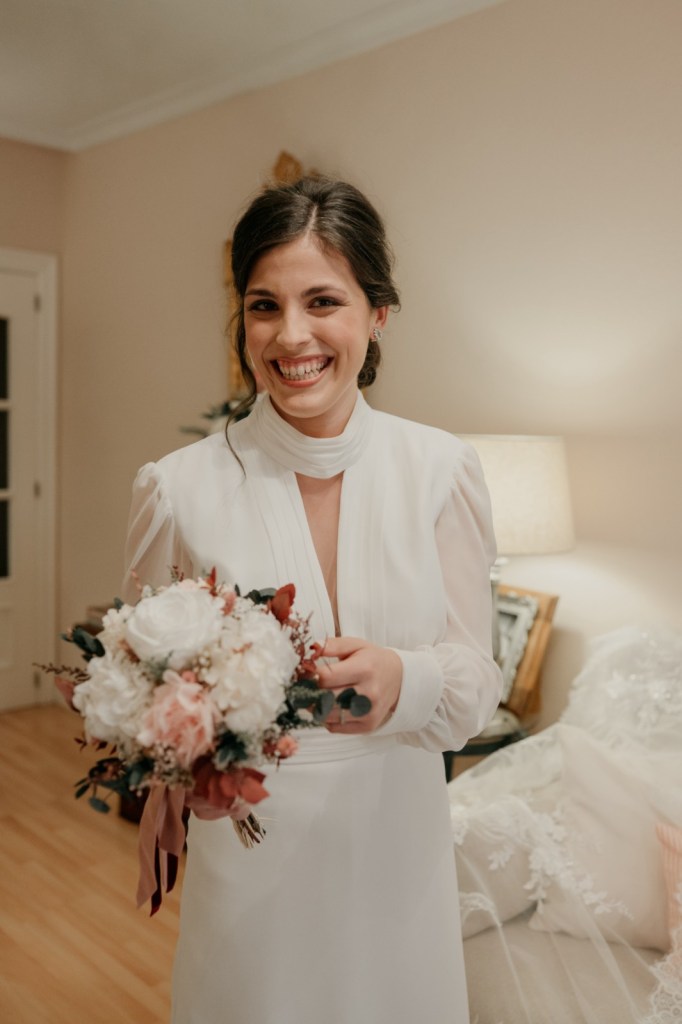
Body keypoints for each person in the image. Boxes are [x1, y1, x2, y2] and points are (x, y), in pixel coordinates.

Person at [123, 176, 503, 1024]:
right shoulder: (176, 489)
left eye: (323, 301)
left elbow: (478, 684)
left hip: (397, 851)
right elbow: (145, 685)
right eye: (264, 306)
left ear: (378, 313)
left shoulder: (440, 470)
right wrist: (172, 780)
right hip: (251, 864)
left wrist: (404, 676)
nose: (291, 335)